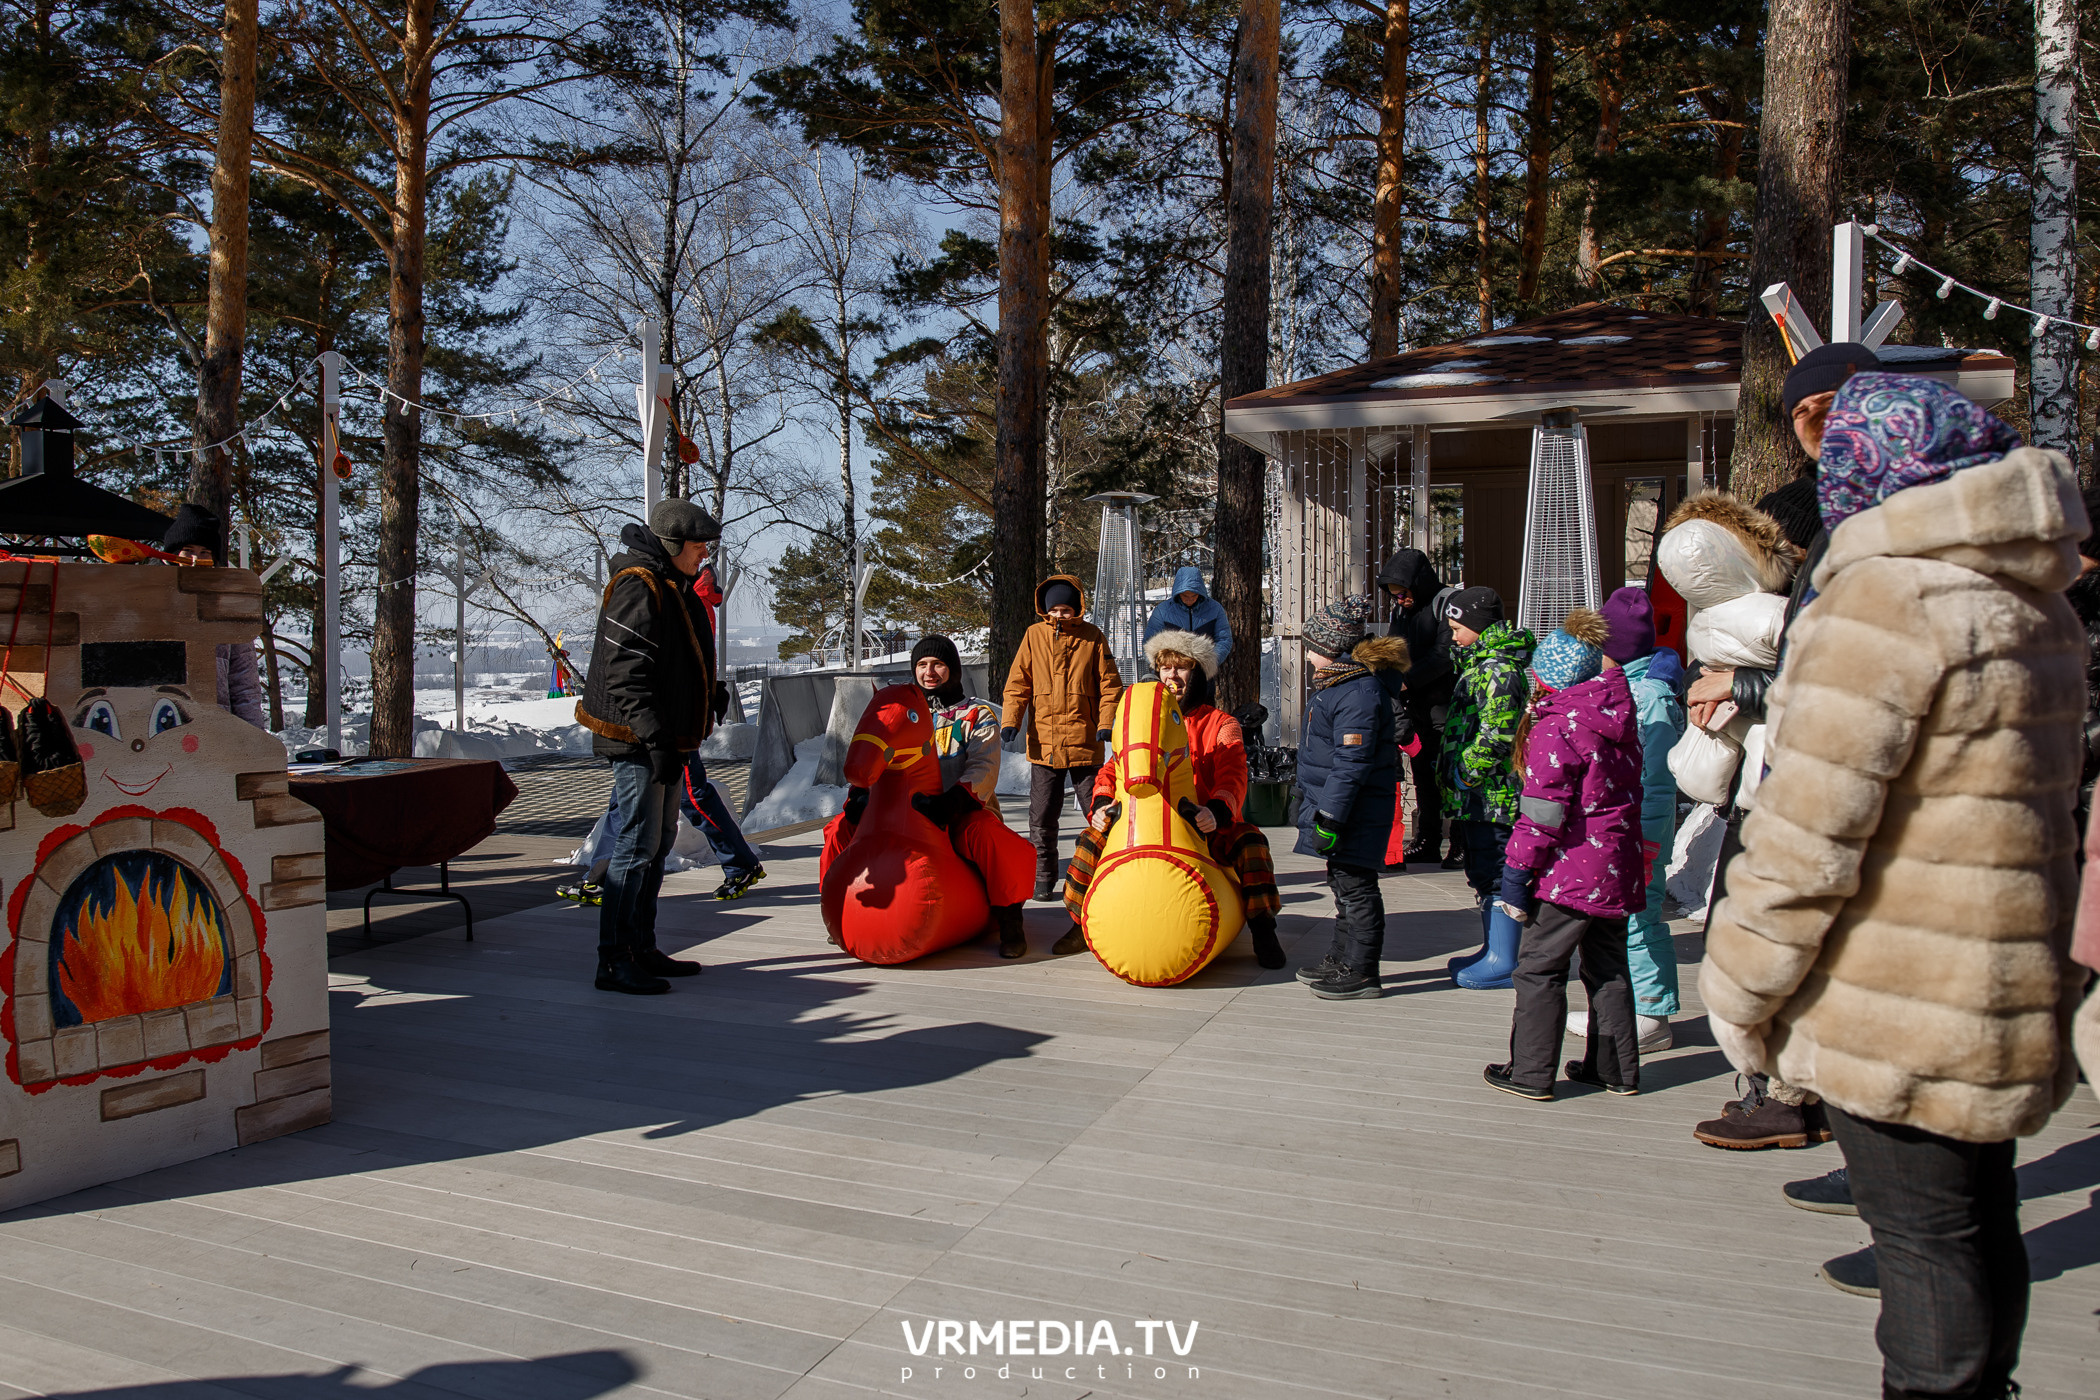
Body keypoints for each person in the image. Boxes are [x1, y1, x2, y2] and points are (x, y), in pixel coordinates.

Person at [1701, 371, 2085, 1400]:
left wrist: (1741, 983)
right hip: (2001, 968)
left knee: (1918, 1241)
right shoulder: (2031, 602)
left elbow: (1809, 833)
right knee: (1979, 1220)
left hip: (1892, 985)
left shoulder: (1882, 601)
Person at [1484, 609, 1647, 1100]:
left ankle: (1531, 1072)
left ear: (1548, 676)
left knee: (1539, 967)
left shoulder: (1558, 728)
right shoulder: (1613, 714)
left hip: (1570, 871)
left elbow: (1542, 815)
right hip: (1615, 863)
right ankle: (1614, 1068)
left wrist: (1516, 873)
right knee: (1609, 966)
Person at [1058, 629, 1284, 967]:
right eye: (1166, 668)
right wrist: (1104, 804)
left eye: (1181, 668)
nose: (1172, 676)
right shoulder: (1144, 722)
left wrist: (1218, 810)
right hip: (1145, 821)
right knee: (1089, 841)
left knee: (1251, 842)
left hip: (1203, 823)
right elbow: (1113, 767)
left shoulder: (1222, 724)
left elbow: (1233, 772)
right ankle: (1078, 921)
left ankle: (1263, 926)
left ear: (1197, 674)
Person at [574, 499, 723, 994]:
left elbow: (678, 658)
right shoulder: (639, 584)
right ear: (673, 544)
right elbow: (625, 672)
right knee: (636, 844)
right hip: (640, 739)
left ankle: (641, 946)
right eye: (698, 546)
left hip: (664, 738)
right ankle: (613, 960)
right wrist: (655, 736)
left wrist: (709, 691)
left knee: (656, 842)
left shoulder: (671, 584)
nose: (703, 555)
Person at [824, 634, 1036, 956]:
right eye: (922, 665)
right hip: (899, 811)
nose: (929, 672)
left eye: (937, 664)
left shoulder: (976, 715)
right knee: (838, 829)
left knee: (987, 836)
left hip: (956, 809)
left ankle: (1010, 919)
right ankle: (836, 902)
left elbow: (984, 767)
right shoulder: (903, 710)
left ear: (952, 668)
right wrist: (860, 796)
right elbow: (879, 751)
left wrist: (954, 802)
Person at [1570, 587, 1686, 1053]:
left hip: (1642, 824)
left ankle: (1653, 1014)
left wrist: (1642, 829)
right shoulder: (1630, 690)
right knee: (1626, 915)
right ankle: (1634, 1004)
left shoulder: (1649, 699)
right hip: (1631, 821)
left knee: (1641, 917)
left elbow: (1656, 777)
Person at [1291, 595, 1407, 999]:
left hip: (1356, 810)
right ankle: (1341, 957)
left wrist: (1330, 816)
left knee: (1357, 888)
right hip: (1343, 806)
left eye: (1310, 647)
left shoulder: (1356, 692)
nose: (1306, 656)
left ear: (1328, 647)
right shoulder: (1338, 686)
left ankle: (1361, 970)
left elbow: (1351, 762)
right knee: (1342, 883)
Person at [1001, 575, 1125, 901]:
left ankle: (1103, 871)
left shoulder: (1092, 638)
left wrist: (1106, 723)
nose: (1060, 615)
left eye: (1066, 609)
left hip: (1085, 741)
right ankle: (1044, 876)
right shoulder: (1033, 636)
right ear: (1045, 609)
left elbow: (1110, 685)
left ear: (1077, 609)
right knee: (1042, 816)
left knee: (1097, 812)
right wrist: (1010, 721)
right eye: (1054, 609)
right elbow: (1018, 683)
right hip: (1044, 744)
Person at [1437, 587, 1533, 921]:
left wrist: (1466, 771)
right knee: (1482, 869)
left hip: (1493, 794)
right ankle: (1494, 947)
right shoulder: (1478, 665)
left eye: (1457, 629)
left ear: (1478, 626)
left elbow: (1498, 733)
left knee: (1494, 869)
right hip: (1479, 794)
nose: (1453, 638)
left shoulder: (1498, 670)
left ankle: (1503, 956)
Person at [1376, 549, 1455, 864]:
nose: (1400, 600)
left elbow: (1444, 654)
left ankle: (1459, 843)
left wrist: (1408, 680)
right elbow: (1394, 649)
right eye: (1394, 595)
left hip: (1443, 705)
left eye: (1404, 593)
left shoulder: (1446, 604)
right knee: (1422, 774)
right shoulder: (1401, 613)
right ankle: (1427, 839)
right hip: (1415, 706)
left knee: (1448, 775)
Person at [160, 503, 266, 729]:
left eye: (205, 552)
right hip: (162, 730)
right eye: (188, 550)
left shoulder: (227, 610)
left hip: (217, 732)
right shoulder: (150, 604)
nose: (197, 560)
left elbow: (244, 685)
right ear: (170, 556)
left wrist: (252, 741)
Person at [1142, 565, 1233, 662]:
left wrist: (1209, 662)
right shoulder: (1162, 611)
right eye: (1185, 595)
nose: (1190, 599)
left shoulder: (1215, 609)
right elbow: (1149, 643)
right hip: (1172, 669)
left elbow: (1224, 639)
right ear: (1178, 593)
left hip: (1204, 671)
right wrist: (1164, 665)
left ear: (1201, 592)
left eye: (1194, 595)